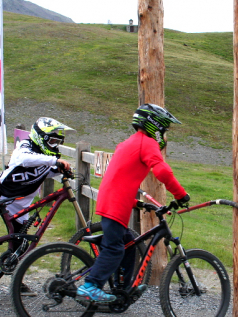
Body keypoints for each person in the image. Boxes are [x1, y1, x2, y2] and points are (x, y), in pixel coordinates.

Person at [77, 104, 190, 303]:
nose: (164, 136)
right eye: (164, 130)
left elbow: (121, 178)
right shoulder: (147, 143)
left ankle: (123, 290)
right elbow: (162, 171)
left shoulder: (128, 142)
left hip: (112, 200)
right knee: (115, 248)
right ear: (155, 125)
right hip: (115, 205)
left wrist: (137, 203)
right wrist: (181, 195)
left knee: (128, 244)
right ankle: (91, 285)